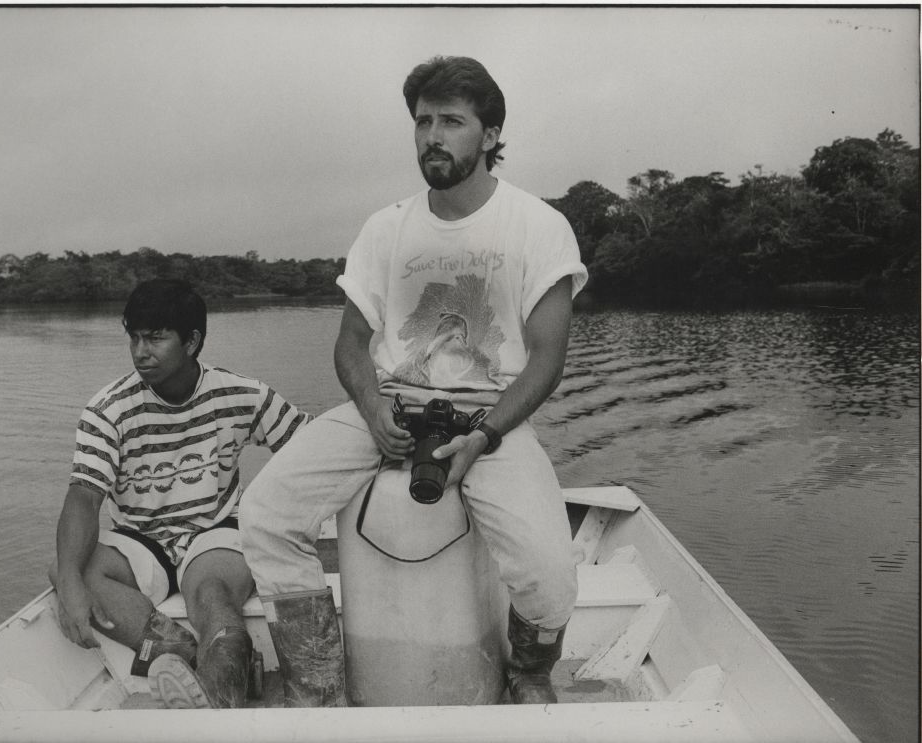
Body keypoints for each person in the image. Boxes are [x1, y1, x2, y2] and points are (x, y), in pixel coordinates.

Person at [240, 55, 588, 707]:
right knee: (264, 513)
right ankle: (318, 682)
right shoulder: (385, 228)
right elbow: (350, 340)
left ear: (489, 135)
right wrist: (371, 407)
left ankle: (528, 672)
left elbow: (545, 358)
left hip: (493, 417)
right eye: (423, 121)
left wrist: (484, 437)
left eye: (451, 121)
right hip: (391, 406)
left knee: (547, 575)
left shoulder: (537, 227)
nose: (431, 136)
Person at [49, 278, 310, 709]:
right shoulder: (108, 410)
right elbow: (83, 498)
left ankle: (216, 685)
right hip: (141, 537)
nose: (140, 352)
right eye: (133, 337)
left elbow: (309, 446)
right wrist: (72, 584)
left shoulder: (241, 394)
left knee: (210, 593)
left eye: (155, 338)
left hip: (214, 529)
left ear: (192, 341)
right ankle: (186, 657)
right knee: (65, 570)